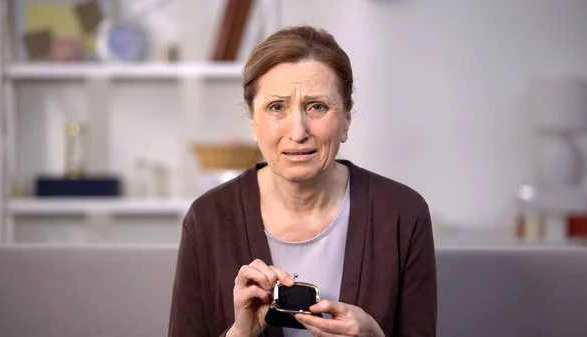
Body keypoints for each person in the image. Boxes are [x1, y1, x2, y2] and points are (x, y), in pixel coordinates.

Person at [168, 25, 437, 337]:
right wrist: (240, 333)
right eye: (277, 107)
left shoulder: (403, 214)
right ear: (253, 122)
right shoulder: (208, 218)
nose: (298, 132)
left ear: (347, 119)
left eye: (317, 106)